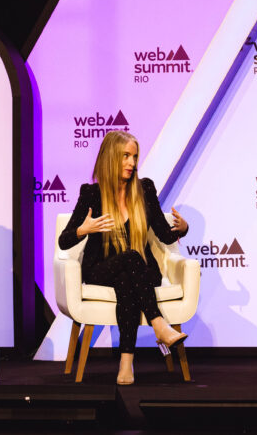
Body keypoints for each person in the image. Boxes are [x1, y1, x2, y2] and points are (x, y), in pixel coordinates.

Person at [59, 131, 189, 385]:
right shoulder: (91, 194)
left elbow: (165, 236)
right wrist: (82, 230)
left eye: (134, 157)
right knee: (128, 260)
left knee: (128, 280)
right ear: (110, 158)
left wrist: (183, 229)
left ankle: (126, 364)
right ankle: (158, 325)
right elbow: (65, 241)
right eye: (125, 156)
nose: (132, 163)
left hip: (142, 271)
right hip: (100, 269)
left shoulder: (145, 189)